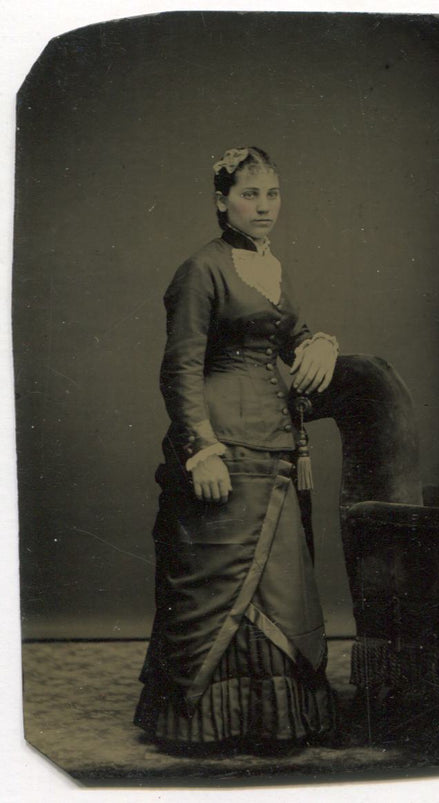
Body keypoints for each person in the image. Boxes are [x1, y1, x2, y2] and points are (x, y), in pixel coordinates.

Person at [134, 146, 339, 753]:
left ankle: (270, 721)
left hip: (274, 444)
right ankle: (206, 723)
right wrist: (202, 449)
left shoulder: (272, 267)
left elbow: (289, 334)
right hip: (224, 446)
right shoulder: (202, 270)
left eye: (272, 194)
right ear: (222, 200)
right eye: (250, 195)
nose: (264, 207)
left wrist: (319, 342)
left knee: (278, 583)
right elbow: (180, 368)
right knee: (219, 583)